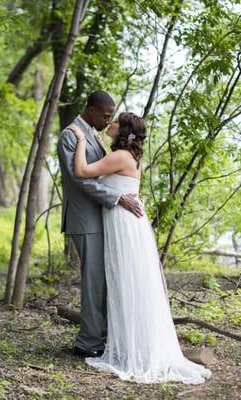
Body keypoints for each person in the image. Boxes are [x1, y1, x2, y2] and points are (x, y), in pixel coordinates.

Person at [67, 112, 212, 384]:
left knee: (127, 282)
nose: (110, 123)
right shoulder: (132, 156)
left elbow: (81, 172)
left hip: (123, 225)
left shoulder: (121, 156)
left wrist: (80, 140)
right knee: (131, 282)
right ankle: (132, 343)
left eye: (116, 121)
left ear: (124, 131)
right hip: (129, 224)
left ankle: (133, 349)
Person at [56, 91, 143, 358]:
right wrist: (118, 197)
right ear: (90, 109)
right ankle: (89, 343)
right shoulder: (71, 135)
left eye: (111, 118)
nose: (108, 122)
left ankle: (102, 336)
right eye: (105, 116)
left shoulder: (92, 134)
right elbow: (78, 179)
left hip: (101, 217)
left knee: (103, 281)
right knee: (94, 281)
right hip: (85, 219)